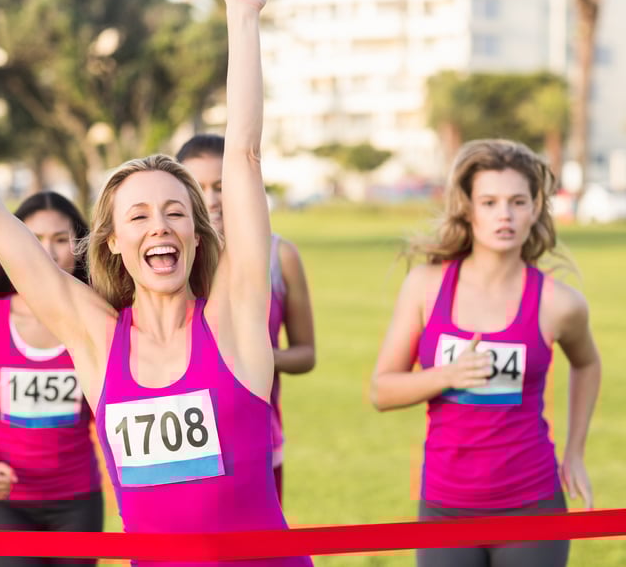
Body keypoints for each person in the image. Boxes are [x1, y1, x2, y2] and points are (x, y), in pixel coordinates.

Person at [0, 0, 311, 567]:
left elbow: (243, 156)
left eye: (175, 212)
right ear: (111, 242)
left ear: (197, 234)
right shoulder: (97, 339)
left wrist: (243, 18)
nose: (159, 226)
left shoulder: (236, 320)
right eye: (138, 216)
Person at [370, 139, 601, 567]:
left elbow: (587, 363)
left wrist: (575, 452)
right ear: (468, 209)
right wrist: (447, 375)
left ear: (536, 208)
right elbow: (381, 392)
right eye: (489, 202)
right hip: (445, 508)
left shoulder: (560, 304)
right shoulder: (425, 288)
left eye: (518, 202)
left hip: (532, 506)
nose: (504, 215)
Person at [0, 191, 103, 567]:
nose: (48, 252)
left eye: (61, 239)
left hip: (78, 502)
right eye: (34, 239)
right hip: (7, 504)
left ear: (80, 247)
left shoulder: (97, 321)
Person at [177, 133, 315, 506]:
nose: (211, 199)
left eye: (221, 186)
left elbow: (305, 354)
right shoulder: (168, 262)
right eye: (198, 187)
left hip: (258, 443)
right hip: (184, 452)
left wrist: (252, 359)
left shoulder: (279, 256)